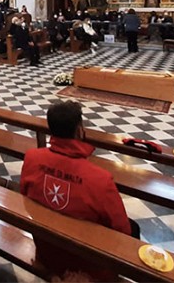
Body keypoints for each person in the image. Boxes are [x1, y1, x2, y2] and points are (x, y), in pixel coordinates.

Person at [20, 101, 137, 281]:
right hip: (88, 266)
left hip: (47, 251)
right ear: (79, 130)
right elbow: (123, 231)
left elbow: (24, 197)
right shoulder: (100, 179)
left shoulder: (32, 158)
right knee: (133, 228)